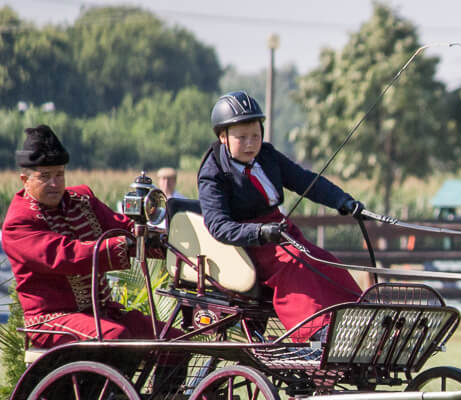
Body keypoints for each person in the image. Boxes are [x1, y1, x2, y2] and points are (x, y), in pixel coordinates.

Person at [197, 91, 364, 342]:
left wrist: (343, 200)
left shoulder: (267, 156)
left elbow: (305, 181)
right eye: (242, 138)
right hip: (247, 245)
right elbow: (218, 226)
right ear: (223, 137)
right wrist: (259, 233)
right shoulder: (213, 173)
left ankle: (358, 320)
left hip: (279, 231)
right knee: (295, 263)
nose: (251, 143)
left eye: (255, 135)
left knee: (324, 260)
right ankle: (316, 331)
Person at [2, 125, 164, 348]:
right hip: (50, 319)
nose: (54, 183)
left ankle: (167, 384)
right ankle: (108, 383)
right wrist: (122, 244)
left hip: (103, 312)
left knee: (172, 339)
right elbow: (67, 255)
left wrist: (160, 240)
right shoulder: (19, 222)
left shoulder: (82, 199)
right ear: (24, 180)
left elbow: (122, 227)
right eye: (45, 176)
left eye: (60, 174)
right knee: (115, 336)